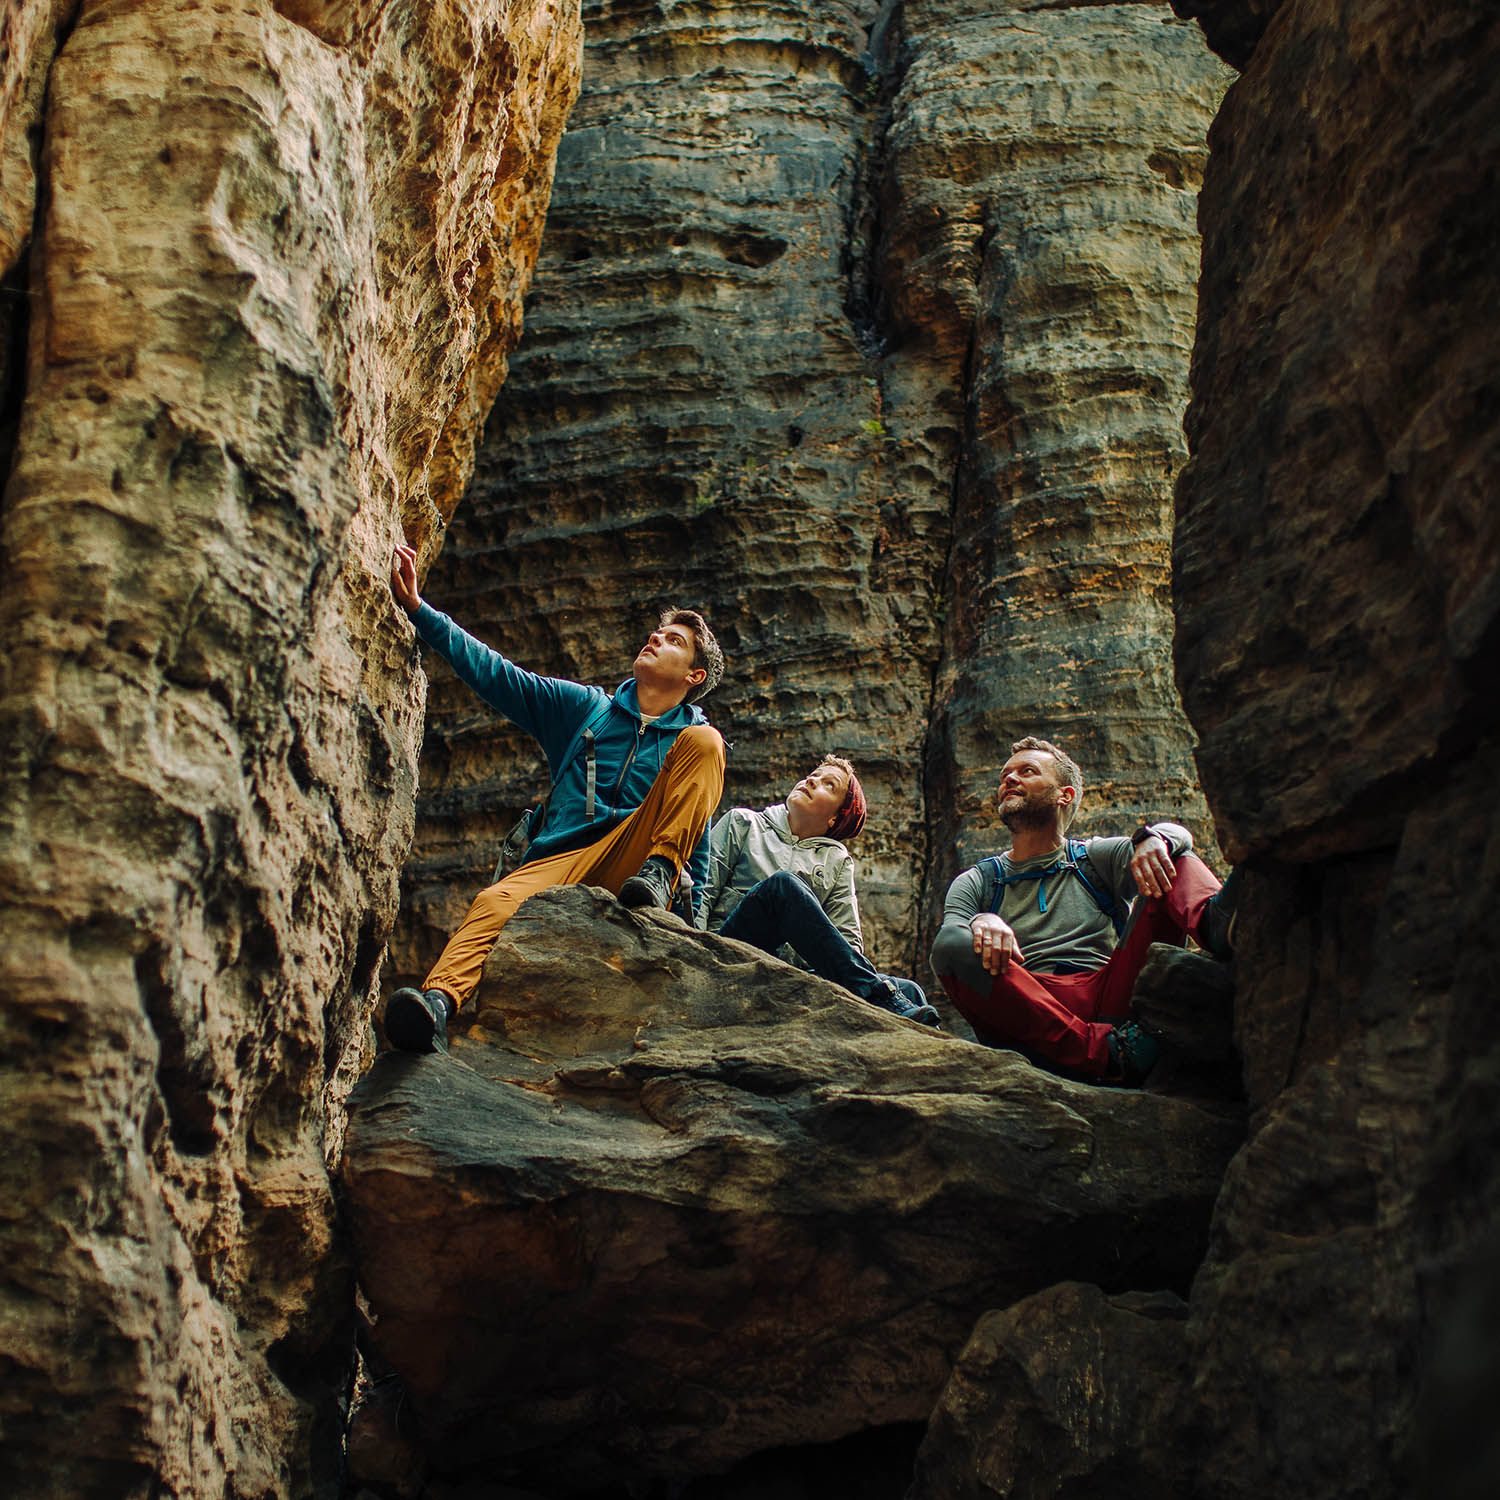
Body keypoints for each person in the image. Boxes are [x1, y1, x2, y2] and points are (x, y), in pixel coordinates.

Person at [384, 542, 726, 1053]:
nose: (655, 637)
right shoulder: (587, 709)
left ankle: (657, 877)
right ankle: (435, 1007)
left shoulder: (689, 741)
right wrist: (419, 610)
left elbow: (695, 842)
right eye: (656, 632)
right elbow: (498, 674)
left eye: (673, 640)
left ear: (693, 676)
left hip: (639, 865)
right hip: (560, 860)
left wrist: (693, 930)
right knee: (494, 902)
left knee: (708, 742)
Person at [929, 736, 1235, 1085]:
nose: (1009, 779)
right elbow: (949, 945)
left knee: (1165, 856)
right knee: (953, 943)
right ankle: (1105, 1055)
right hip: (1027, 1006)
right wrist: (980, 919)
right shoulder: (979, 880)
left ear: (1065, 795)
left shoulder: (1092, 859)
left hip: (1110, 996)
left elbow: (1177, 834)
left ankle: (1220, 926)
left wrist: (1153, 839)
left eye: (1027, 771)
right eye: (1005, 776)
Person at [698, 756, 941, 1027]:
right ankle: (878, 994)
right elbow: (702, 890)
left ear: (835, 818)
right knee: (783, 886)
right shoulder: (743, 823)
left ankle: (926, 1042)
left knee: (909, 991)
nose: (812, 780)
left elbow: (848, 944)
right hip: (731, 953)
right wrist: (695, 954)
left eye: (829, 784)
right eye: (813, 774)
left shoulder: (836, 861)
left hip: (790, 974)